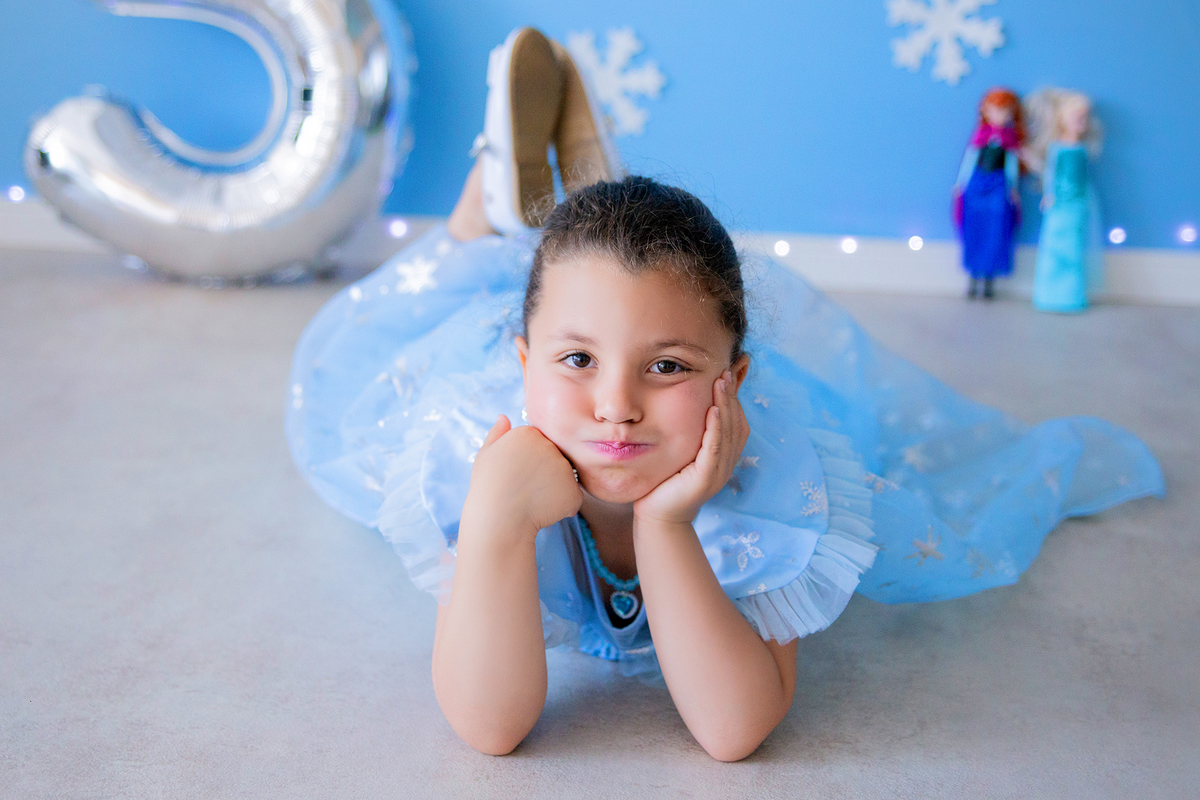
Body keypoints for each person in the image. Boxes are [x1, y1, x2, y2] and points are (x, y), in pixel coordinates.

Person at [286, 29, 1164, 761]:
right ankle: (489, 214)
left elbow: (734, 729)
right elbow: (491, 725)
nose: (616, 407)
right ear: (522, 368)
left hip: (629, 373)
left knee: (614, 303)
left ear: (731, 381)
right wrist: (494, 519)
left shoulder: (774, 483)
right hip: (487, 360)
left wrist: (668, 526)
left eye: (667, 367)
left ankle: (577, 220)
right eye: (576, 364)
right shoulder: (473, 451)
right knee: (405, 332)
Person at [1023, 88, 1104, 313]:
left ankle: (1071, 294)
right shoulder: (1057, 148)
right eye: (1077, 118)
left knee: (1074, 248)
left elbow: (1083, 177)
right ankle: (1051, 294)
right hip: (1060, 203)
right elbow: (1052, 174)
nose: (1082, 122)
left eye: (1084, 118)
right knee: (1056, 247)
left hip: (1078, 202)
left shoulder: (1081, 148)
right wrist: (1050, 195)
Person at [952, 88, 1025, 300]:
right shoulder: (980, 135)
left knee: (995, 232)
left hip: (998, 187)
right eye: (994, 110)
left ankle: (989, 282)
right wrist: (960, 184)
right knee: (975, 230)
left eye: (1004, 111)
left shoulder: (1010, 139)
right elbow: (969, 161)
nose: (999, 116)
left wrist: (1013, 188)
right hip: (977, 186)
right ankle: (974, 279)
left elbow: (1011, 165)